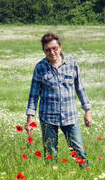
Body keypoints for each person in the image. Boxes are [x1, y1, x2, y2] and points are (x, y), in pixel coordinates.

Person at [26, 32, 92, 165]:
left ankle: (86, 177)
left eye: (54, 48)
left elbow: (80, 88)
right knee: (50, 155)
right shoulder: (40, 68)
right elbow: (33, 95)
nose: (52, 52)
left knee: (79, 152)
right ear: (44, 51)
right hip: (48, 117)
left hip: (70, 116)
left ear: (60, 47)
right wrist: (29, 120)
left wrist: (87, 111)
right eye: (47, 50)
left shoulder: (71, 63)